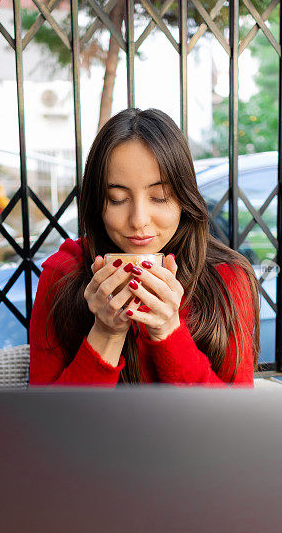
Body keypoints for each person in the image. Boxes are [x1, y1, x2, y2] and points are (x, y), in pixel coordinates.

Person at [29, 108, 260, 386]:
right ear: (97, 203)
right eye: (117, 199)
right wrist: (106, 333)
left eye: (159, 197)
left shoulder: (227, 277)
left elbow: (233, 423)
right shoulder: (63, 273)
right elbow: (46, 422)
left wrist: (167, 330)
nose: (138, 220)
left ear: (184, 199)